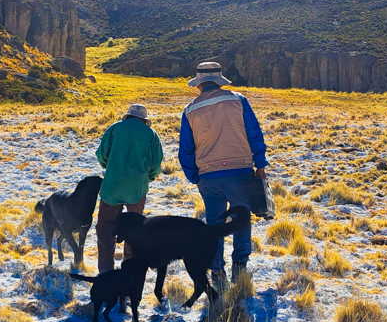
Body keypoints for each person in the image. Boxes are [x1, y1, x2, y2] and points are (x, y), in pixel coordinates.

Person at [178, 61, 267, 293]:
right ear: (219, 81)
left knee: (214, 225)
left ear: (199, 85)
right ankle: (240, 266)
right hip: (240, 171)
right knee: (241, 219)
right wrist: (260, 165)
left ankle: (217, 270)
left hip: (208, 176)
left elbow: (186, 150)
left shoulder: (189, 110)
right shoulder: (238, 100)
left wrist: (194, 177)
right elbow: (254, 134)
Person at [95, 103, 164, 272]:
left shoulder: (114, 128)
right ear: (144, 119)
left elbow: (101, 155)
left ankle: (106, 270)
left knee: (105, 226)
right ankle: (130, 268)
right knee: (134, 228)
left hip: (112, 185)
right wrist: (148, 178)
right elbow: (156, 163)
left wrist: (110, 168)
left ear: (128, 116)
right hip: (137, 188)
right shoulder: (151, 134)